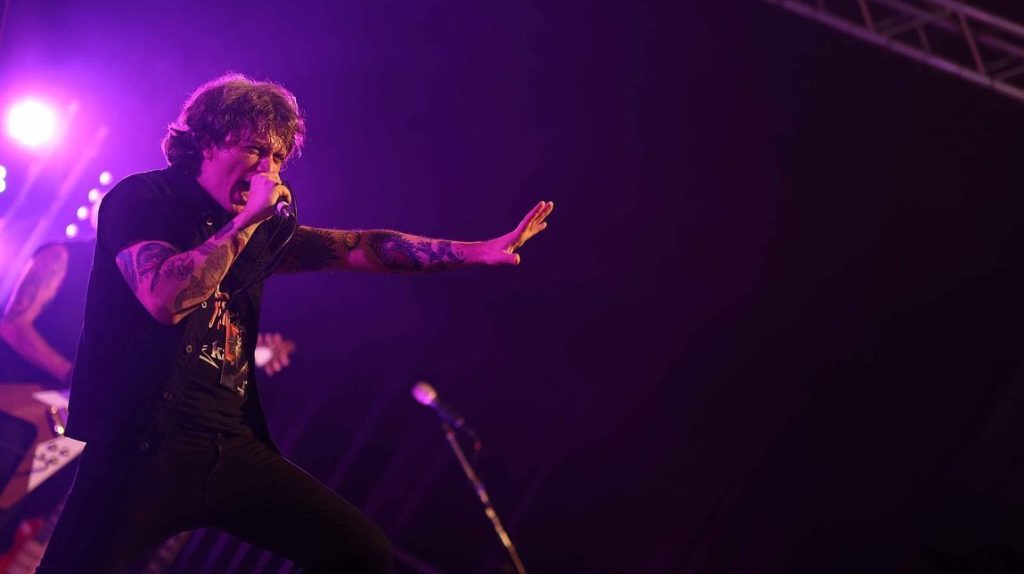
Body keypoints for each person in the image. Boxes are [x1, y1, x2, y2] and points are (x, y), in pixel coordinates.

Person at [36, 73, 553, 573]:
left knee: (360, 552)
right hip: (142, 450)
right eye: (254, 149)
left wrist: (476, 251)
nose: (269, 170)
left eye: (278, 157)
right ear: (207, 142)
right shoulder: (144, 199)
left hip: (227, 447)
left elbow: (359, 248)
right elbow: (164, 299)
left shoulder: (262, 232)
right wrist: (247, 222)